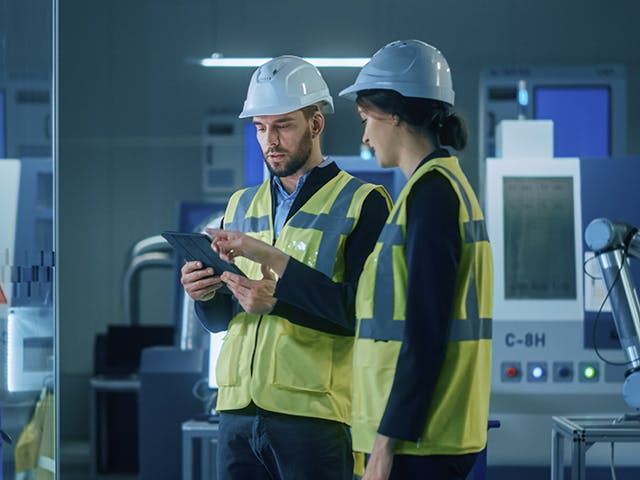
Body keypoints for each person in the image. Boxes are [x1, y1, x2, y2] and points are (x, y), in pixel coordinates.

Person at [180, 55, 391, 480]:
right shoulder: (240, 204)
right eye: (260, 127)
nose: (269, 140)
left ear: (316, 124)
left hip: (314, 416)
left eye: (283, 125)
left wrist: (278, 303)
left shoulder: (364, 203)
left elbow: (359, 315)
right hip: (238, 413)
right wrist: (203, 296)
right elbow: (225, 319)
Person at [338, 40, 493, 480]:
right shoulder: (439, 187)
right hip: (428, 434)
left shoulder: (432, 195)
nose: (365, 136)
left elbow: (425, 332)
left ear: (394, 115)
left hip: (419, 442)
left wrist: (385, 445)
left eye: (366, 119)